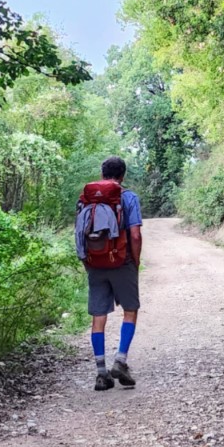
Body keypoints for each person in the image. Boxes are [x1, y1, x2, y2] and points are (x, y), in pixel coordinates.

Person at [79, 155, 143, 391]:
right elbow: (135, 235)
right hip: (121, 261)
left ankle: (100, 372)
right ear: (123, 175)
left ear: (102, 173)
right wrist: (135, 262)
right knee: (130, 310)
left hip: (95, 262)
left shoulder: (87, 199)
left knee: (98, 315)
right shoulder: (128, 197)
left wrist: (86, 260)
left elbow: (79, 233)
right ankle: (121, 360)